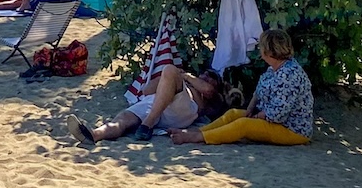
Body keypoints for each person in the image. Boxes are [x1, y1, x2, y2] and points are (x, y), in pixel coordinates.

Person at [170, 29, 313, 146]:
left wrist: (256, 117)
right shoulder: (275, 69)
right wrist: (250, 109)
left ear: (268, 52)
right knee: (233, 114)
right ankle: (198, 132)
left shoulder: (289, 75)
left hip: (291, 129)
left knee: (244, 125)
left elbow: (278, 113)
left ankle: (197, 138)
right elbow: (259, 91)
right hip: (274, 119)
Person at [71, 65, 227, 144]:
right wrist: (165, 79)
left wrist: (183, 75)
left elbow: (208, 89)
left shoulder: (204, 92)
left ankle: (148, 123)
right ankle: (94, 135)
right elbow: (146, 90)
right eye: (204, 73)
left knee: (170, 70)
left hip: (183, 107)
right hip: (155, 103)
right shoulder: (187, 83)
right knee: (122, 119)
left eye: (211, 75)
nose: (206, 76)